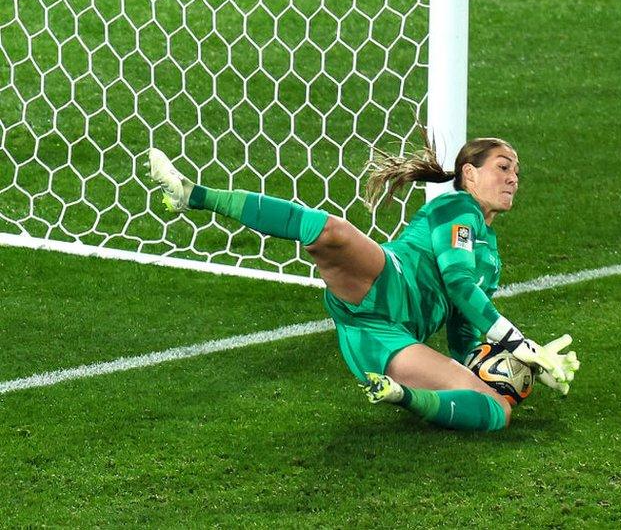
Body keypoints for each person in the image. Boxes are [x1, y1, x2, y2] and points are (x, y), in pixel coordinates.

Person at [145, 136, 579, 431]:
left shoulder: (492, 259)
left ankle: (400, 395)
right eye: (503, 167)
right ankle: (193, 194)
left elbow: (464, 335)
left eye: (517, 171)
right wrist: (518, 341)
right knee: (331, 232)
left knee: (498, 408)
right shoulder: (457, 209)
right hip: (387, 281)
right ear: (469, 174)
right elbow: (458, 283)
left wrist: (519, 369)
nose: (513, 178)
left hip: (387, 336)